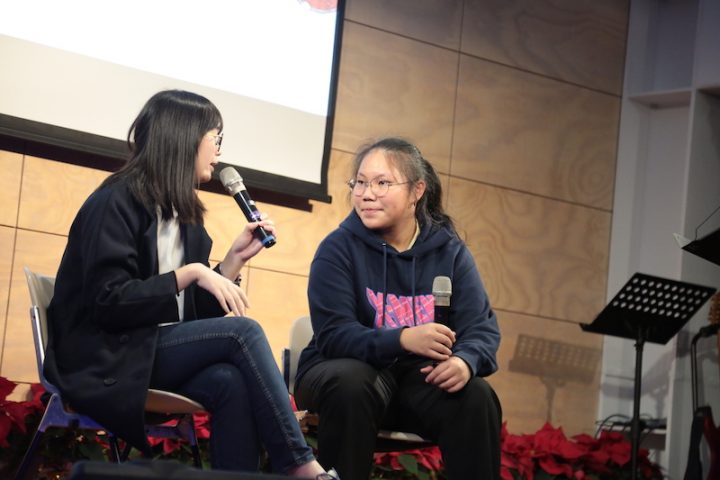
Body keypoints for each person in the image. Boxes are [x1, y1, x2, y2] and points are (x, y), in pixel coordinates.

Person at [43, 90, 336, 478]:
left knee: (230, 381)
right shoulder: (115, 201)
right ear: (184, 138)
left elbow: (190, 317)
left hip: (149, 352)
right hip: (107, 356)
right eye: (216, 138)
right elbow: (107, 303)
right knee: (243, 331)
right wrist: (191, 273)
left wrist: (231, 262)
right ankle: (302, 466)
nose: (219, 151)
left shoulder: (185, 218)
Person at [294, 137, 502, 480]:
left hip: (414, 384)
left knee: (476, 395)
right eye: (361, 182)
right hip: (339, 375)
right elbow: (334, 336)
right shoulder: (337, 248)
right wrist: (403, 339)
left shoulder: (450, 252)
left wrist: (465, 362)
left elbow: (481, 328)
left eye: (382, 183)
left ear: (417, 191)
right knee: (352, 382)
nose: (367, 194)